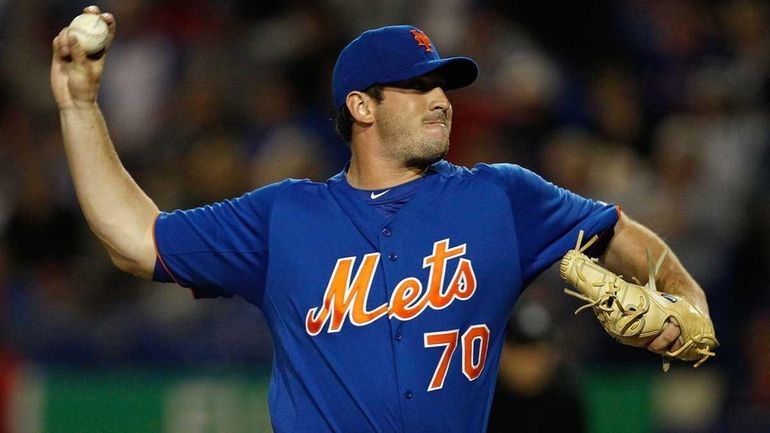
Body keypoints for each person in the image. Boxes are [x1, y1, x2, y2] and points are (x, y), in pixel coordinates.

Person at [51, 6, 714, 433]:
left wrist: (691, 301)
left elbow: (618, 230)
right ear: (361, 108)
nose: (441, 100)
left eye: (443, 86)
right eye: (418, 86)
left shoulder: (501, 199)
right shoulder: (287, 215)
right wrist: (80, 106)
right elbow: (137, 238)